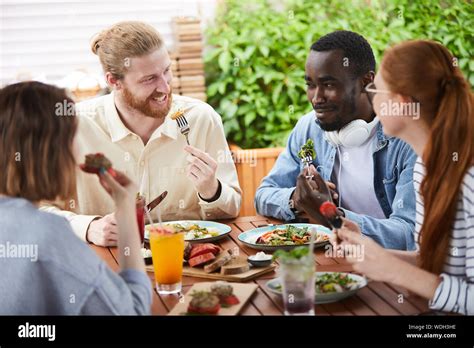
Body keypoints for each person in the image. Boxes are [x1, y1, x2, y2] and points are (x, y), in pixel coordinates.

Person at [41, 21, 242, 246]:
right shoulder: (70, 127)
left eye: (166, 71)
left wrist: (211, 190)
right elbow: (34, 211)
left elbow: (231, 209)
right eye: (149, 79)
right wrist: (88, 228)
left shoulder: (201, 119)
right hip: (104, 270)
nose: (165, 87)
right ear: (114, 81)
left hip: (191, 265)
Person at [335, 40, 474, 314]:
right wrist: (372, 253)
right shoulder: (425, 168)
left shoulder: (469, 181)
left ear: (401, 104)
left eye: (376, 90)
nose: (371, 99)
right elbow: (433, 266)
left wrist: (395, 271)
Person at [255, 30, 417, 250]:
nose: (316, 98)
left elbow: (409, 234)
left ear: (365, 82)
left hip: (391, 268)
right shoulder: (308, 127)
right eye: (310, 84)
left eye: (329, 85)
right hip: (331, 260)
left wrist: (333, 215)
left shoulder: (406, 140)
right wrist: (295, 198)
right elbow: (263, 194)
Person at [0, 81, 152, 314]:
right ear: (51, 150)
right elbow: (132, 311)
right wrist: (126, 211)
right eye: (73, 135)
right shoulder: (46, 232)